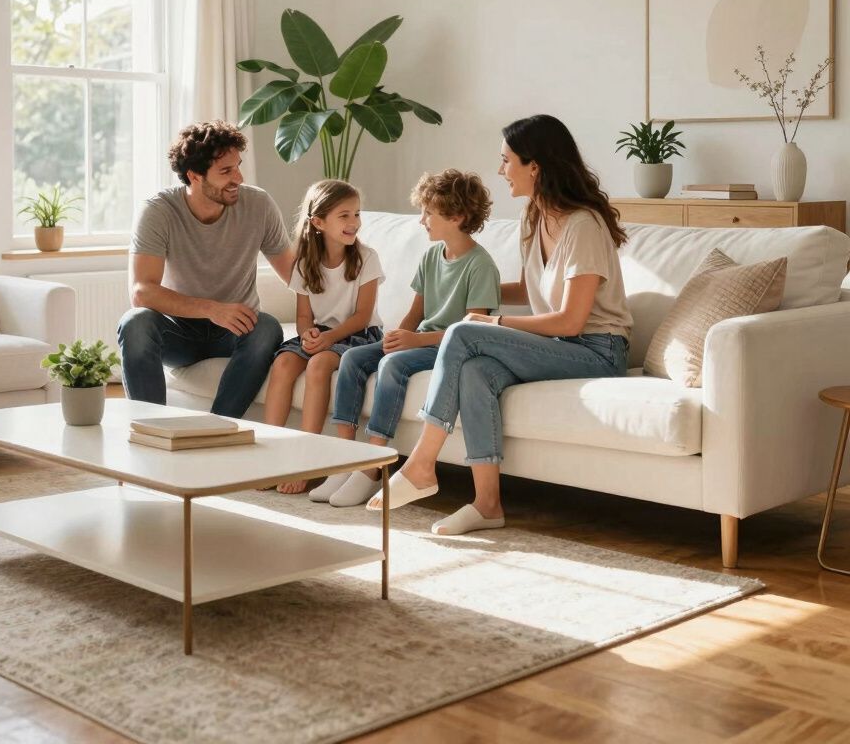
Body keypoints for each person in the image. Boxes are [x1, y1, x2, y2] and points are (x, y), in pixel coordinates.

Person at [366, 114, 632, 535]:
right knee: (476, 370)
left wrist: (491, 320)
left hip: (597, 350)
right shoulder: (535, 216)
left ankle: (420, 464)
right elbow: (530, 287)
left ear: (535, 167)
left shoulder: (583, 225)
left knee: (463, 332)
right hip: (562, 345)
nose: (500, 169)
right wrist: (474, 289)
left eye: (506, 160)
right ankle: (488, 504)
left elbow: (571, 318)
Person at [315, 169, 501, 508]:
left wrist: (413, 343)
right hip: (420, 340)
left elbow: (472, 330)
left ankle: (373, 466)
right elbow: (415, 314)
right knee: (353, 359)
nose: (422, 221)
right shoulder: (431, 256)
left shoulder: (480, 265)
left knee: (394, 364)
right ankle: (347, 458)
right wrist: (398, 336)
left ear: (457, 216)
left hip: (448, 349)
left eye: (428, 213)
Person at [118, 120, 295, 417]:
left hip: (236, 329)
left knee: (266, 328)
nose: (238, 177)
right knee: (135, 322)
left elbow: (295, 274)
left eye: (237, 166)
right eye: (225, 171)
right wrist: (213, 309)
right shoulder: (159, 211)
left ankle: (218, 426)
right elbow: (142, 292)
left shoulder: (258, 204)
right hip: (180, 332)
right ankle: (150, 428)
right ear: (194, 176)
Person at [263, 179, 384, 494]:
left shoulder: (366, 258)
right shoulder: (305, 263)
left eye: (356, 214)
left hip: (359, 333)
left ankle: (307, 461)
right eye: (344, 215)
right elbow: (304, 316)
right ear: (318, 222)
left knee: (318, 366)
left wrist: (327, 341)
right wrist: (308, 335)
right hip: (323, 334)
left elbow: (361, 316)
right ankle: (266, 460)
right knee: (284, 364)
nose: (354, 222)